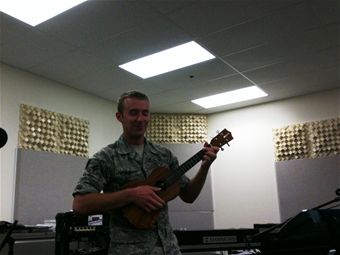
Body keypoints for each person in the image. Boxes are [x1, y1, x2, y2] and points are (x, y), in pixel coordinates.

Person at [72, 91, 219, 255]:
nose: (141, 119)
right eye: (134, 113)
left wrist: (204, 167)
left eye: (145, 113)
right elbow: (80, 205)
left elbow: (189, 196)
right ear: (119, 116)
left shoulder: (164, 155)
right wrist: (130, 195)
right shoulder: (106, 158)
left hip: (169, 248)